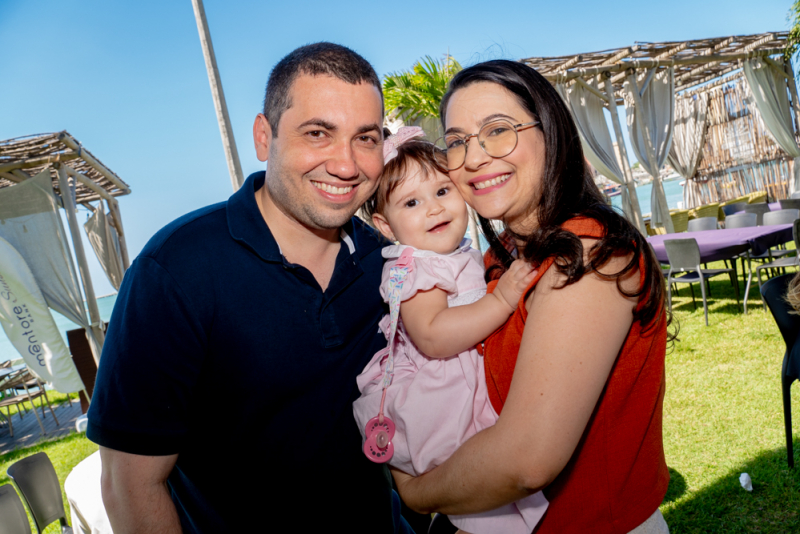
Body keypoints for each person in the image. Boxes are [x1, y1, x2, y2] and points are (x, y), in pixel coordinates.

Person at [87, 43, 414, 533]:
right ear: (265, 137)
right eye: (318, 133)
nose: (347, 165)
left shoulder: (388, 264)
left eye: (365, 138)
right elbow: (129, 484)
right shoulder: (177, 269)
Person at [391, 60, 672, 533]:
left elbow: (528, 458)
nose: (474, 157)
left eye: (497, 130)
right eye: (457, 141)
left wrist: (417, 491)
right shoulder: (502, 261)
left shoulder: (590, 253)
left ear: (551, 133)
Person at [352, 135, 547, 534]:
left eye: (442, 190)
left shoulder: (453, 254)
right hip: (443, 399)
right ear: (385, 227)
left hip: (464, 384)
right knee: (483, 491)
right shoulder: (416, 266)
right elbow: (432, 336)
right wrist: (502, 299)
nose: (434, 208)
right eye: (411, 203)